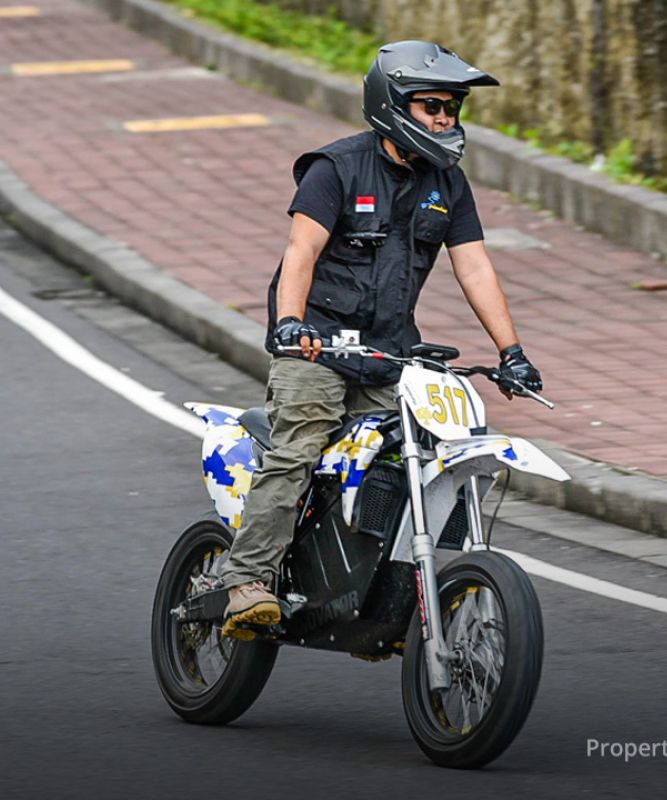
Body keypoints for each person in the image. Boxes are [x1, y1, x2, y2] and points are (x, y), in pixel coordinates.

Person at [218, 40, 543, 637]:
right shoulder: (335, 168)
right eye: (434, 107)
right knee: (299, 445)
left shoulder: (448, 182)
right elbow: (302, 252)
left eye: (452, 108)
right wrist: (291, 326)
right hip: (315, 349)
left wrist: (511, 352)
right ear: (394, 104)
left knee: (431, 450)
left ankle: (378, 600)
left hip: (390, 355)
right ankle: (247, 579)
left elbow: (474, 266)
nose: (446, 119)